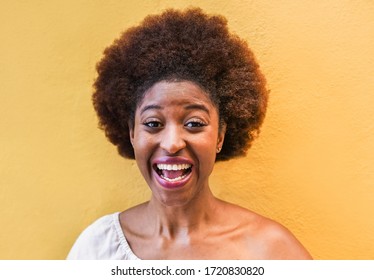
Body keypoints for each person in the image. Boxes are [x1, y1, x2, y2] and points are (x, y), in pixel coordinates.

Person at [67, 8, 312, 260]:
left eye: (194, 124)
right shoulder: (97, 249)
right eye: (153, 123)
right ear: (131, 133)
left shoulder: (270, 251)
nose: (172, 144)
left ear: (220, 136)